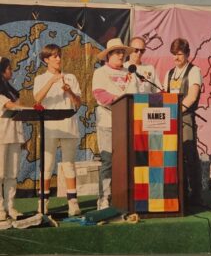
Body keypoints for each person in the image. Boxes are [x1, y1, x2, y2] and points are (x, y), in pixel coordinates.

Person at [33, 44, 81, 216]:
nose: (59, 59)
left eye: (59, 55)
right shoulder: (40, 78)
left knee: (69, 164)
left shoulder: (71, 77)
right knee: (47, 166)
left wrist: (69, 92)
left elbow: (78, 103)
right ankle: (43, 202)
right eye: (54, 56)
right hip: (49, 127)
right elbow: (37, 99)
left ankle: (72, 202)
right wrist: (51, 81)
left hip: (69, 126)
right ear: (46, 60)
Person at [92, 38, 137, 210]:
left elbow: (136, 94)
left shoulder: (131, 72)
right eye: (117, 52)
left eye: (123, 52)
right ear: (108, 55)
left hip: (128, 123)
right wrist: (121, 100)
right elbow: (100, 96)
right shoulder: (100, 73)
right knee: (109, 161)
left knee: (128, 160)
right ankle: (104, 198)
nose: (121, 55)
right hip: (108, 122)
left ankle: (125, 197)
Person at [163, 38, 203, 206]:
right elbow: (165, 96)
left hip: (185, 117)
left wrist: (177, 112)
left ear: (187, 54)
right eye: (174, 54)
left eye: (179, 54)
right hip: (170, 118)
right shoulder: (169, 73)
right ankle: (181, 193)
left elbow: (192, 96)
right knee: (173, 156)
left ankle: (196, 194)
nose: (176, 58)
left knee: (189, 155)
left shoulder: (194, 71)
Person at [0, 57, 25, 220]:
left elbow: (17, 111)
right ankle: (0, 209)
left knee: (12, 174)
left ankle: (10, 207)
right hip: (1, 136)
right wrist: (30, 108)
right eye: (9, 68)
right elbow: (9, 106)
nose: (12, 71)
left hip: (14, 136)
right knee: (0, 173)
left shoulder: (11, 90)